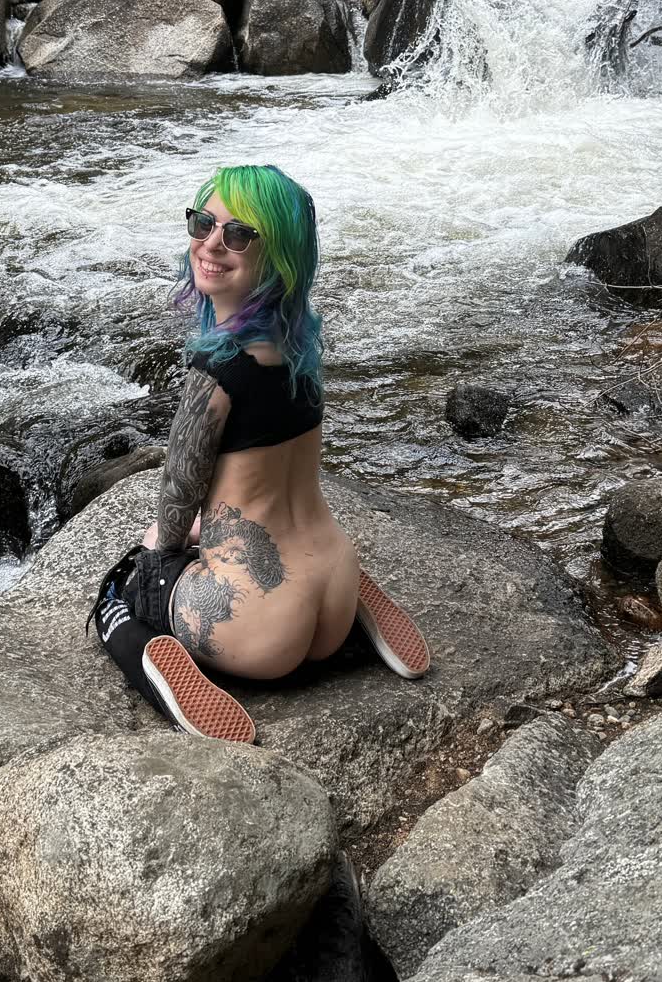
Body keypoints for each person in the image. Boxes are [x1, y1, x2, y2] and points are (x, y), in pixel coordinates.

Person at [89, 163, 431, 741]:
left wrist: (159, 555)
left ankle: (149, 659)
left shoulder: (216, 373)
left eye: (239, 234)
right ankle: (349, 609)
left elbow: (178, 495)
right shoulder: (302, 352)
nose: (212, 243)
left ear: (279, 257)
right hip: (332, 588)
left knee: (122, 581)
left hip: (259, 629)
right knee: (254, 534)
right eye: (203, 224)